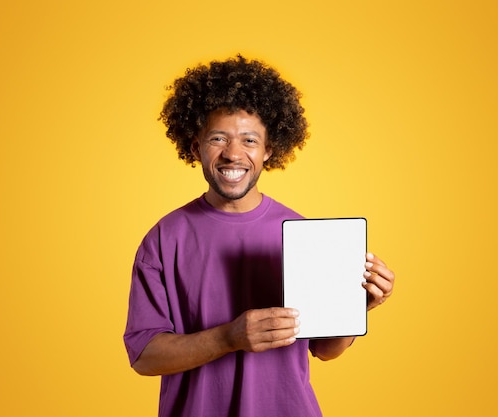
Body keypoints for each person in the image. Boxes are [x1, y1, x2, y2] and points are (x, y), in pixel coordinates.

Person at [124, 55, 395, 417]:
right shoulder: (163, 239)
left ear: (269, 150)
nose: (233, 153)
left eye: (249, 140)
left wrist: (356, 308)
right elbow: (144, 356)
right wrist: (228, 338)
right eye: (218, 138)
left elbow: (325, 350)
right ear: (195, 148)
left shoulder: (303, 234)